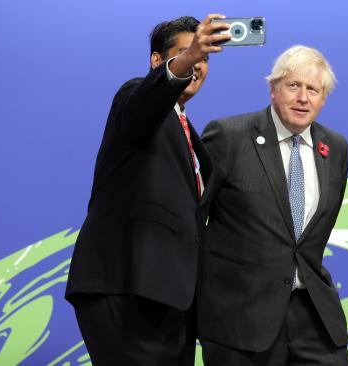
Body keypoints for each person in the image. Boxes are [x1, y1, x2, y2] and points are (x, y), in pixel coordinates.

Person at [64, 14, 231, 365]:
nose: (197, 65)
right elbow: (147, 100)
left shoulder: (192, 139)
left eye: (203, 58)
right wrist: (183, 62)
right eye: (188, 53)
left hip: (175, 301)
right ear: (158, 61)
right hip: (128, 287)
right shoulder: (135, 99)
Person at [198, 45, 348, 365]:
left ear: (323, 99)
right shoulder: (228, 137)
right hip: (240, 320)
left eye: (313, 89)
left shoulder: (335, 148)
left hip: (313, 318)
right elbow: (193, 223)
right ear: (272, 88)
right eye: (294, 86)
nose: (303, 97)